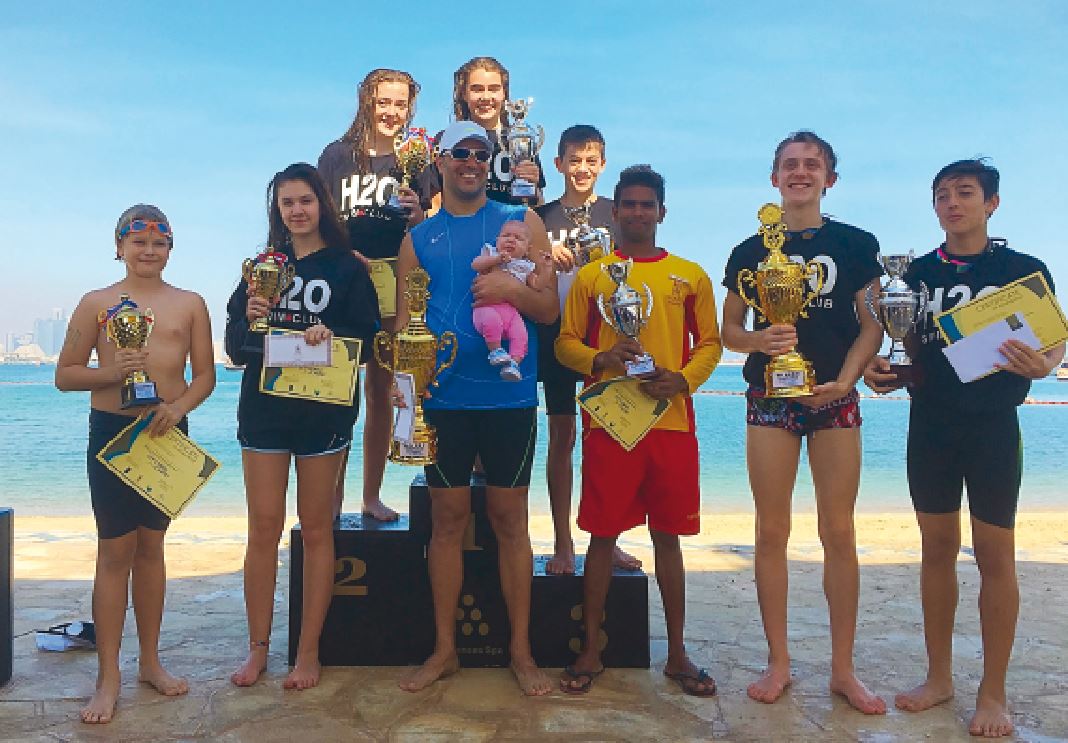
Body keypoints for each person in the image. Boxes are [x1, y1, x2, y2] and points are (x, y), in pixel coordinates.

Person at [864, 159, 1065, 738]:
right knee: (935, 551)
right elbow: (909, 352)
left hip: (994, 427)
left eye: (965, 193)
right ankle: (939, 678)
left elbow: (1052, 346)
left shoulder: (1023, 270)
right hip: (930, 426)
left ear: (991, 203)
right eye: (943, 195)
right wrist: (887, 371)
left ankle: (993, 691)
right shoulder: (914, 275)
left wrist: (1045, 365)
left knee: (996, 556)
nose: (953, 203)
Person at [720, 131, 887, 713]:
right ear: (774, 177)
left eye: (811, 165)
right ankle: (779, 660)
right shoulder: (748, 251)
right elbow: (729, 332)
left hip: (835, 397)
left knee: (838, 532)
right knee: (771, 531)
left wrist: (848, 379)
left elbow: (873, 325)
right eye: (790, 165)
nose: (800, 172)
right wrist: (760, 339)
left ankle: (843, 669)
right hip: (770, 400)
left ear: (828, 179)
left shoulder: (856, 243)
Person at [394, 121, 557, 696]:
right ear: (439, 160)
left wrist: (512, 293)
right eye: (459, 153)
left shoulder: (521, 221)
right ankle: (444, 650)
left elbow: (546, 309)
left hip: (507, 395)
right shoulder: (418, 239)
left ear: (490, 161)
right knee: (447, 522)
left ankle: (522, 653)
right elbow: (401, 327)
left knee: (511, 521)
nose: (470, 161)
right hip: (442, 399)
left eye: (480, 153)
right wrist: (401, 389)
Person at [556, 165, 722, 696]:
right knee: (602, 536)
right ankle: (590, 650)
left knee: (668, 537)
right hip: (611, 425)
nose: (636, 213)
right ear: (616, 211)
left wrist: (683, 379)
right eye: (627, 204)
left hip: (671, 424)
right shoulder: (593, 277)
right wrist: (603, 357)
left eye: (646, 205)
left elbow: (712, 344)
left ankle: (676, 654)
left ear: (662, 213)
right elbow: (564, 345)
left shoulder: (689, 275)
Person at [55, 205, 216, 723]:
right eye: (138, 241)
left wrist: (178, 407)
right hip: (113, 434)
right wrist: (109, 372)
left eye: (159, 243)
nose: (148, 251)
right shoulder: (95, 303)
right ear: (119, 246)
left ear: (171, 249)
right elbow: (65, 375)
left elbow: (205, 377)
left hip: (166, 434)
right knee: (113, 552)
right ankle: (109, 675)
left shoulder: (190, 304)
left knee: (152, 548)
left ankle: (150, 661)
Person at [225, 163, 380, 690]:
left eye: (305, 201)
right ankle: (258, 649)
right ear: (277, 210)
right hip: (264, 412)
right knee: (263, 529)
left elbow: (366, 339)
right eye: (286, 202)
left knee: (316, 530)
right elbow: (235, 345)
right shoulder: (261, 267)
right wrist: (251, 313)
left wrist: (328, 333)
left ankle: (307, 652)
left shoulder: (346, 267)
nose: (296, 210)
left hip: (325, 411)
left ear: (321, 206)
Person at [318, 68, 438, 522]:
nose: (391, 111)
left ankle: (370, 495)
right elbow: (320, 218)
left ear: (410, 108)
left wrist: (416, 215)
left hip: (397, 278)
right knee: (339, 389)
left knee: (381, 390)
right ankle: (330, 497)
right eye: (383, 101)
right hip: (347, 278)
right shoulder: (336, 155)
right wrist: (343, 253)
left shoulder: (418, 159)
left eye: (400, 104)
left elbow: (427, 228)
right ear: (366, 100)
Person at [534, 124, 642, 574]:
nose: (582, 168)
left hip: (608, 340)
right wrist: (544, 259)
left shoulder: (616, 216)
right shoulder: (538, 217)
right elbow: (524, 269)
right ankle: (562, 543)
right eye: (573, 160)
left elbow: (636, 273)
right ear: (558, 164)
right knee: (562, 440)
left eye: (590, 161)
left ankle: (606, 539)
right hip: (558, 339)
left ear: (602, 165)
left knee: (608, 442)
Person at [440, 56, 546, 206]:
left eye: (493, 89)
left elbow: (538, 206)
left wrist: (533, 186)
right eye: (477, 89)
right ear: (464, 94)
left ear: (504, 94)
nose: (485, 97)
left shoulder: (521, 140)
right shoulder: (447, 141)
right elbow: (436, 202)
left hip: (511, 227)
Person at [471, 219, 550, 381]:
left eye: (518, 238)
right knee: (491, 321)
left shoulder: (525, 266)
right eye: (506, 236)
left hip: (512, 313)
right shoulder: (491, 252)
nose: (511, 240)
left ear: (527, 250)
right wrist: (497, 260)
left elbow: (537, 285)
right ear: (497, 240)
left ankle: (514, 363)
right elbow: (476, 265)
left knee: (521, 334)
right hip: (487, 307)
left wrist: (546, 269)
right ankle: (495, 349)